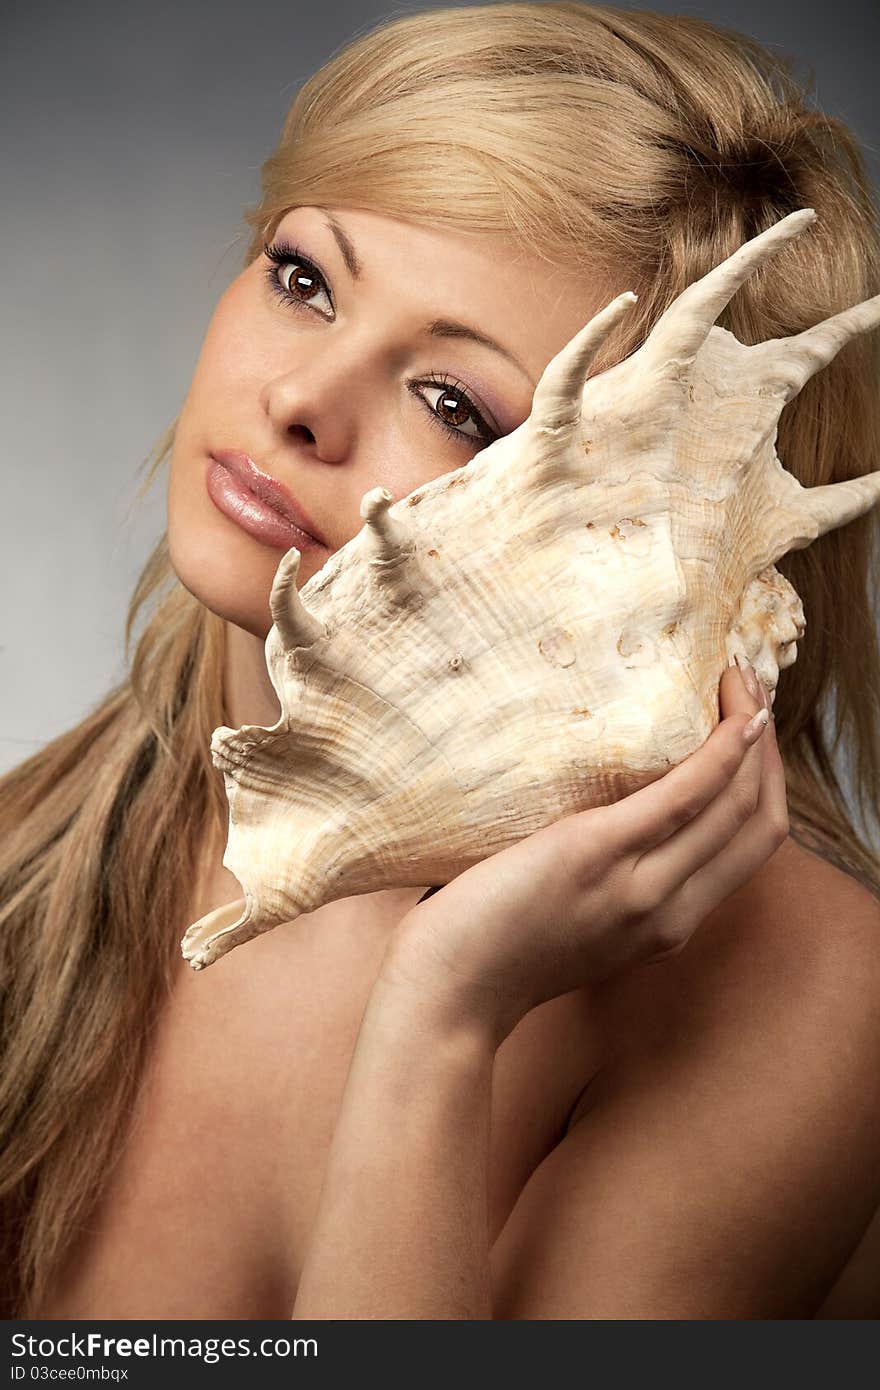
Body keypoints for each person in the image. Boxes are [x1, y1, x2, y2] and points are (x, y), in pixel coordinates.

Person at [2, 1, 879, 1321]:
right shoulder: (32, 864)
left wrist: (442, 1019)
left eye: (456, 403)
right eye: (306, 277)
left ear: (649, 548)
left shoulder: (805, 991)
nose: (300, 400)